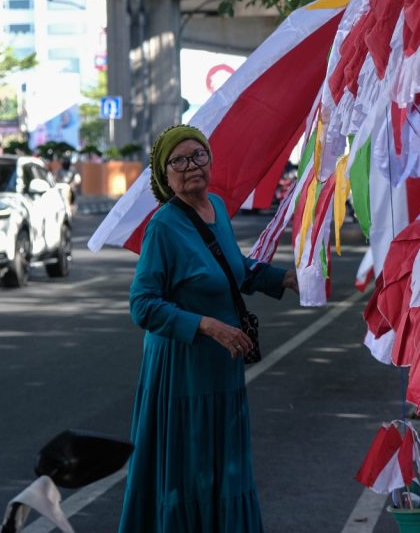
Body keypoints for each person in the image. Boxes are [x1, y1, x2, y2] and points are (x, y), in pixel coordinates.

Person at [118, 124, 298, 533]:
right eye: (178, 161)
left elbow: (233, 270)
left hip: (223, 366)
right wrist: (206, 325)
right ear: (164, 177)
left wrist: (283, 278)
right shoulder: (163, 226)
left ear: (211, 161)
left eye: (198, 155)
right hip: (183, 373)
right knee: (190, 471)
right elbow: (142, 305)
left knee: (225, 467)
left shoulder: (215, 207)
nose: (190, 166)